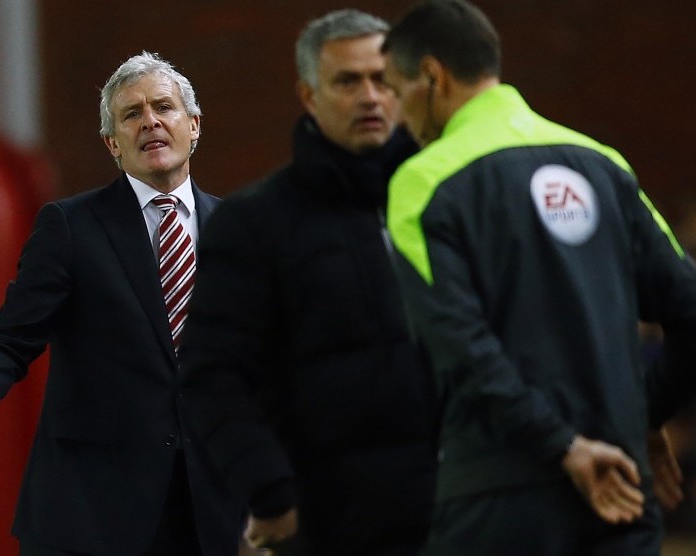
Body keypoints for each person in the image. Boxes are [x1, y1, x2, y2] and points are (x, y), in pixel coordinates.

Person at [380, 1, 696, 554]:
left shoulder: (425, 181)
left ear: (432, 76)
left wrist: (564, 446)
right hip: (621, 488)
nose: (398, 117)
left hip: (500, 495)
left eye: (397, 90)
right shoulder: (603, 163)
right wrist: (641, 417)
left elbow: (463, 348)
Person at [0, 51, 239, 556]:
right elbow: (12, 338)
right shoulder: (71, 227)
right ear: (113, 143)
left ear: (194, 124)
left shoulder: (241, 230)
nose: (151, 121)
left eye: (164, 107)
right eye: (132, 114)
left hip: (211, 511)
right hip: (92, 514)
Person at [179, 9, 438, 556]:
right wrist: (269, 491)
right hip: (331, 522)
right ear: (308, 95)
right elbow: (212, 375)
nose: (371, 97)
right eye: (348, 81)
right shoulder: (257, 222)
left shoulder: (449, 199)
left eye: (383, 80)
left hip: (459, 509)